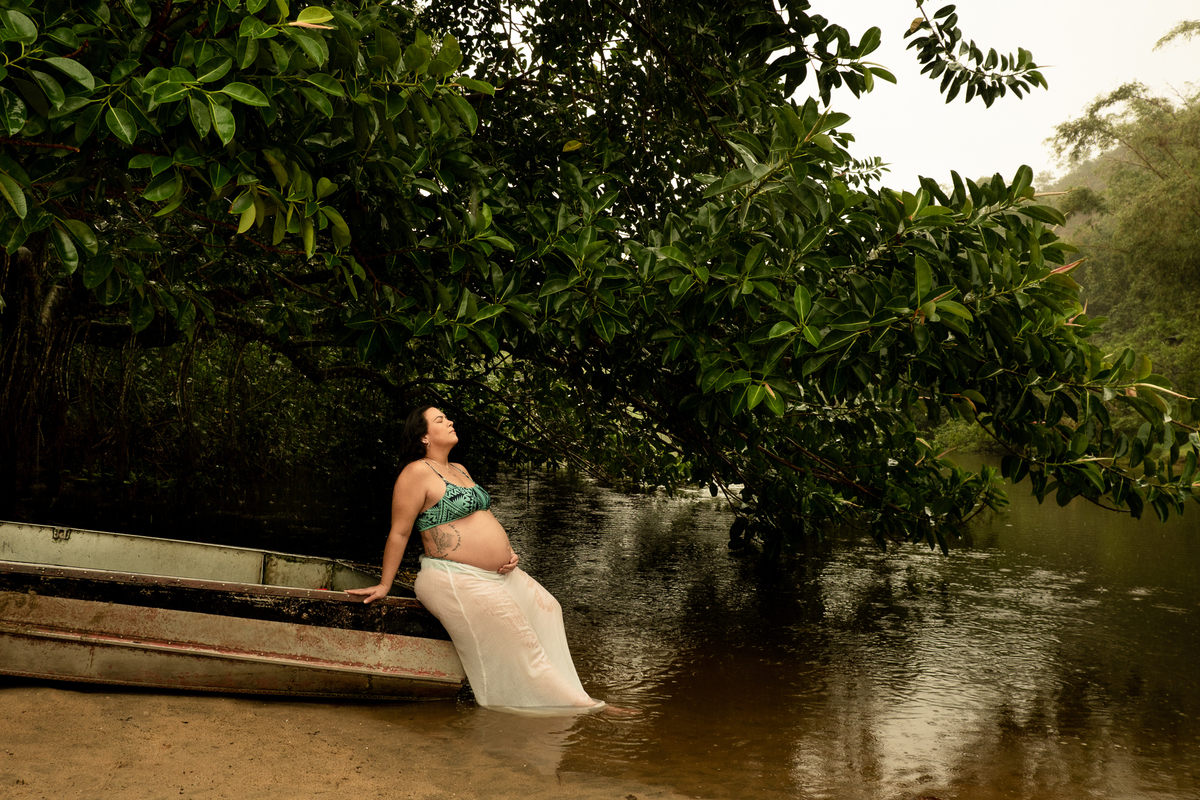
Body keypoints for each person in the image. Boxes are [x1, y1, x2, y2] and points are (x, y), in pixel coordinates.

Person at [347, 405, 605, 714]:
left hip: (498, 572)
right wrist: (385, 584)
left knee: (549, 610)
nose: (450, 421)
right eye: (440, 419)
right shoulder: (416, 473)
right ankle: (578, 707)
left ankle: (571, 692)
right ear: (424, 436)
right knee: (521, 639)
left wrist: (508, 551)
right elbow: (400, 533)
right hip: (453, 576)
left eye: (447, 417)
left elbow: (482, 517)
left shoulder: (460, 469)